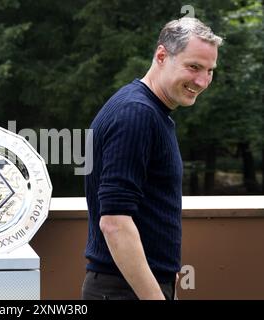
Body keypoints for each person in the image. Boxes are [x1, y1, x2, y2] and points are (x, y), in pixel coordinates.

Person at [82, 17, 222, 300]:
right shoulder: (136, 114)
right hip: (124, 290)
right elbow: (114, 222)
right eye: (193, 66)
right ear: (161, 56)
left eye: (209, 70)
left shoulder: (147, 110)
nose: (202, 81)